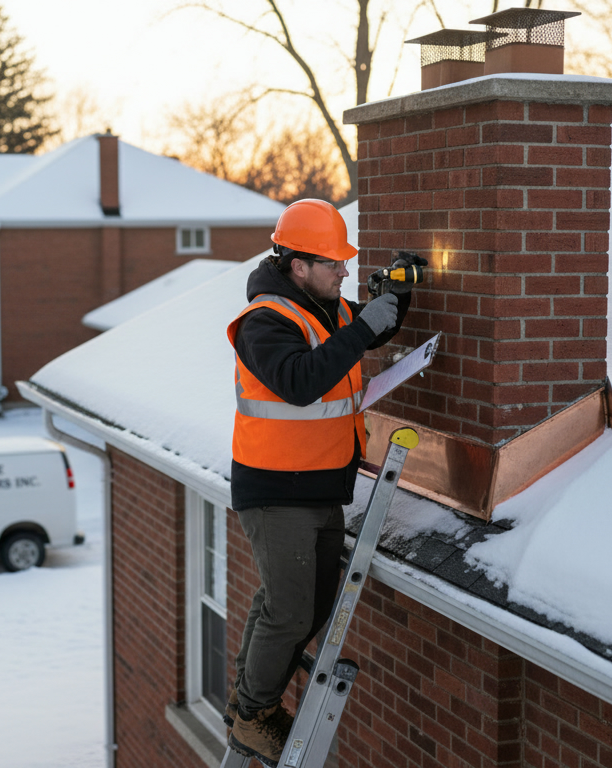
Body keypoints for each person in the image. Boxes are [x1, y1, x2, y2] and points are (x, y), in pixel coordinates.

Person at [224, 199, 420, 765]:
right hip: (275, 491)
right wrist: (362, 328)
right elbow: (300, 382)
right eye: (333, 263)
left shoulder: (324, 307)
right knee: (287, 611)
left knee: (308, 608)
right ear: (298, 265)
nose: (344, 272)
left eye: (344, 263)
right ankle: (255, 714)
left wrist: (395, 297)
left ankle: (247, 704)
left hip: (319, 487)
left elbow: (368, 334)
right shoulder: (265, 321)